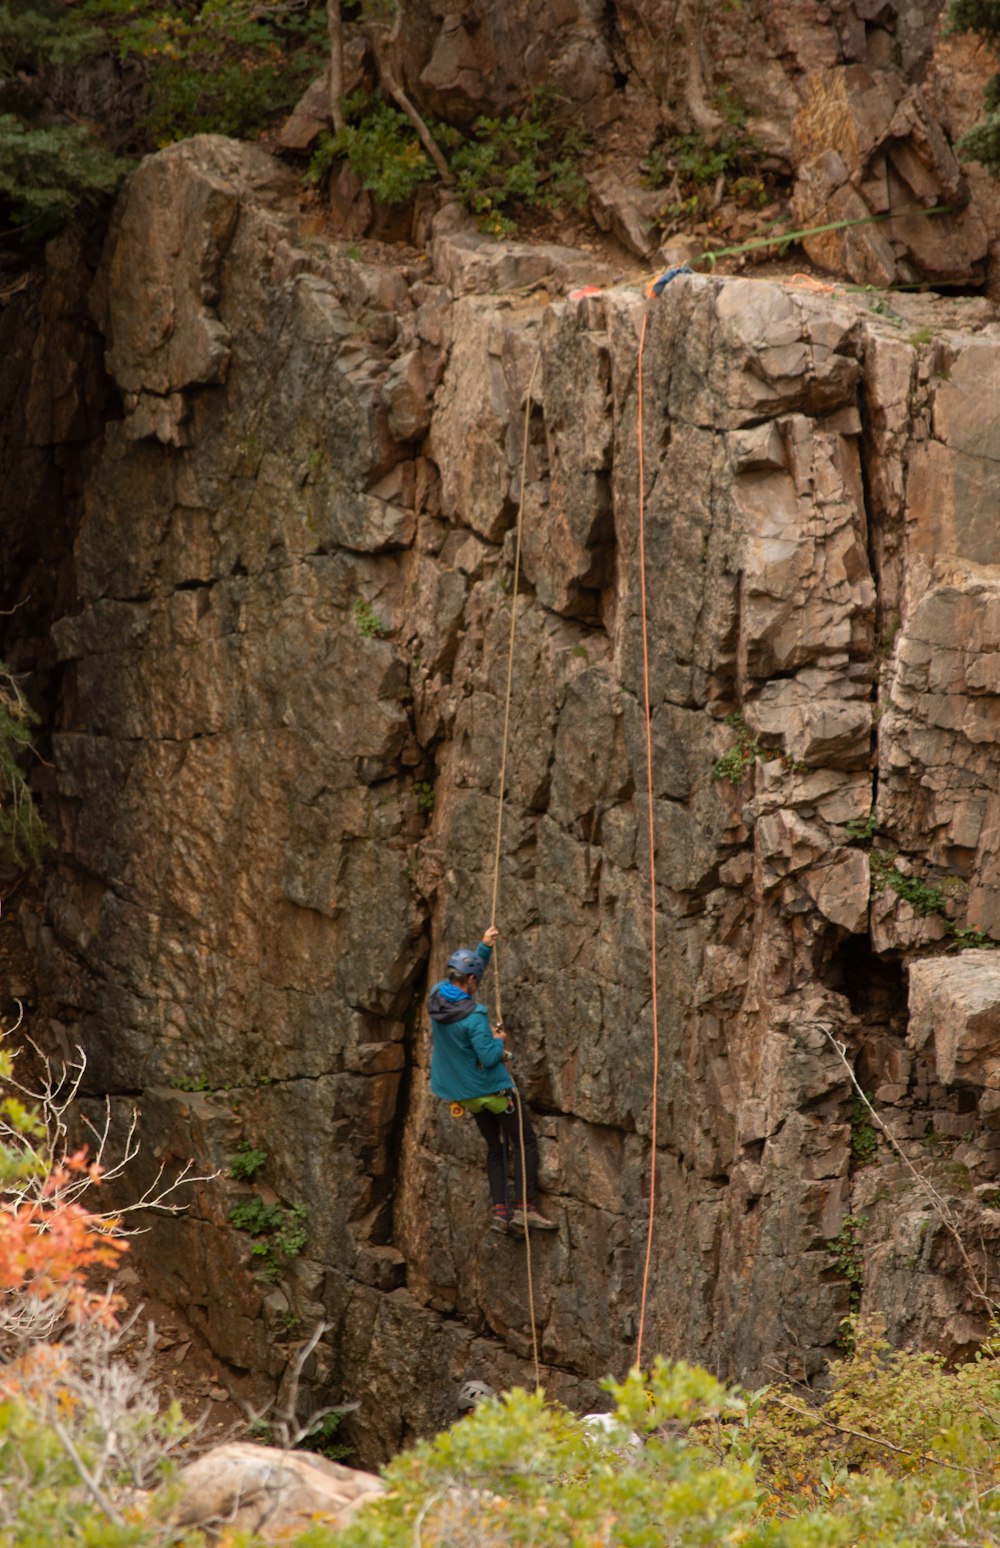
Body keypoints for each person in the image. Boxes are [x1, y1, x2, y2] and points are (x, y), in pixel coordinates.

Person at [427, 925, 557, 1235]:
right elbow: (488, 1057)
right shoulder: (473, 1017)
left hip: (465, 1094)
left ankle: (501, 1213)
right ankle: (526, 1208)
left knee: (494, 1148)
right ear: (470, 981)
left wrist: (483, 948)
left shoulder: (437, 996)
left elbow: (468, 977)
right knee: (524, 1140)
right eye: (475, 979)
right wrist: (498, 1040)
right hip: (491, 1091)